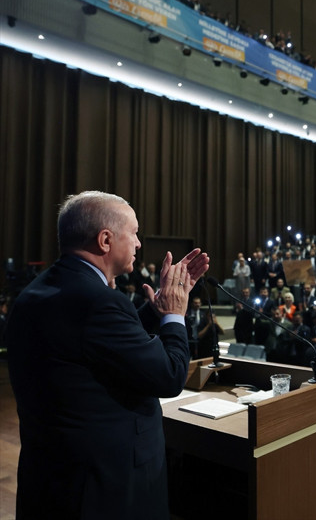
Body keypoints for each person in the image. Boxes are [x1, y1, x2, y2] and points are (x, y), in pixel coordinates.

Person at [7, 191, 209, 520]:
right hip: (107, 491)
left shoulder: (37, 293)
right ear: (105, 240)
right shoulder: (99, 302)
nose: (139, 244)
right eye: (134, 233)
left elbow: (98, 346)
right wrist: (174, 314)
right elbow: (170, 375)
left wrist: (153, 312)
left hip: (53, 480)